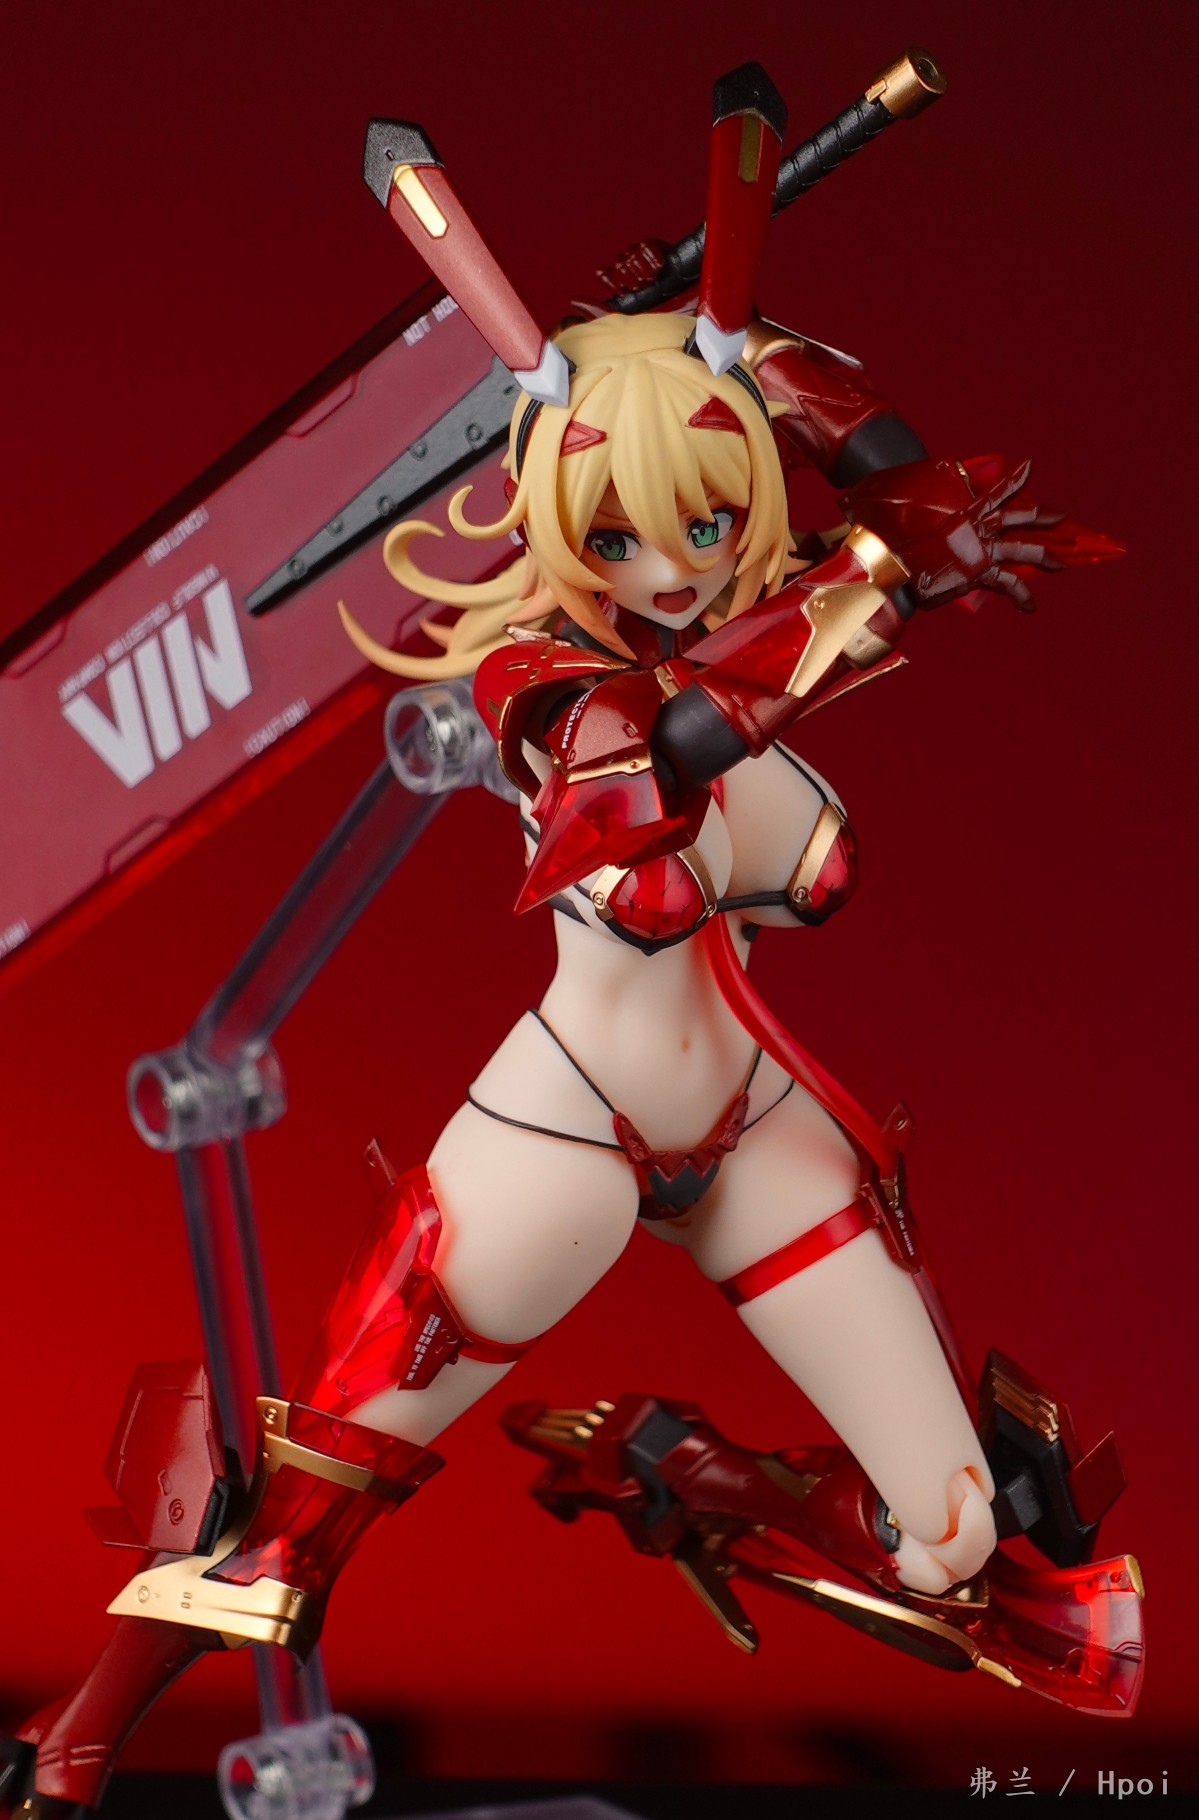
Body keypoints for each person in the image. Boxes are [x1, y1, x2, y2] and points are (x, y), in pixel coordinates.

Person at [1, 76, 1140, 1820]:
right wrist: (857, 576)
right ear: (549, 522)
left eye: (707, 520)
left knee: (959, 1542)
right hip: (567, 1131)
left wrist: (737, 367)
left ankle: (696, 1477)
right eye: (619, 532)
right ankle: (72, 1739)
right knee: (311, 1505)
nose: (671, 568)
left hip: (754, 1126)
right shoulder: (534, 676)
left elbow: (887, 474)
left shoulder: (762, 614)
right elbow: (673, 740)